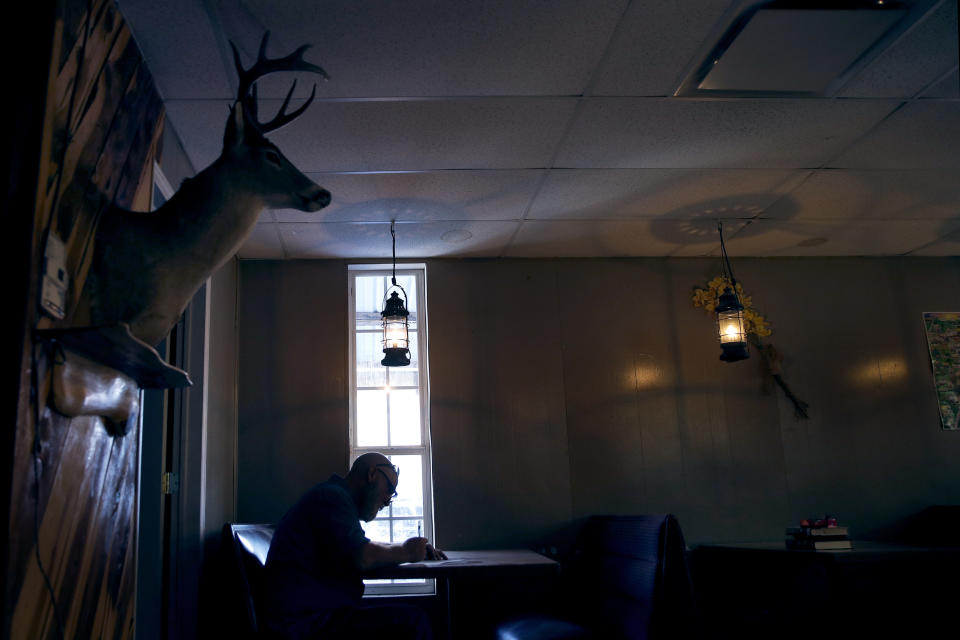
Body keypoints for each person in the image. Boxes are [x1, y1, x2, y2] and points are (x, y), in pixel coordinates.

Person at [262, 452, 446, 639]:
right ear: (372, 474)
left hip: (312, 614)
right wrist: (407, 552)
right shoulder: (332, 497)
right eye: (389, 489)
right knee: (414, 621)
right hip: (304, 623)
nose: (388, 500)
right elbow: (362, 556)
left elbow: (360, 547)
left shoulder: (333, 497)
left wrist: (410, 549)